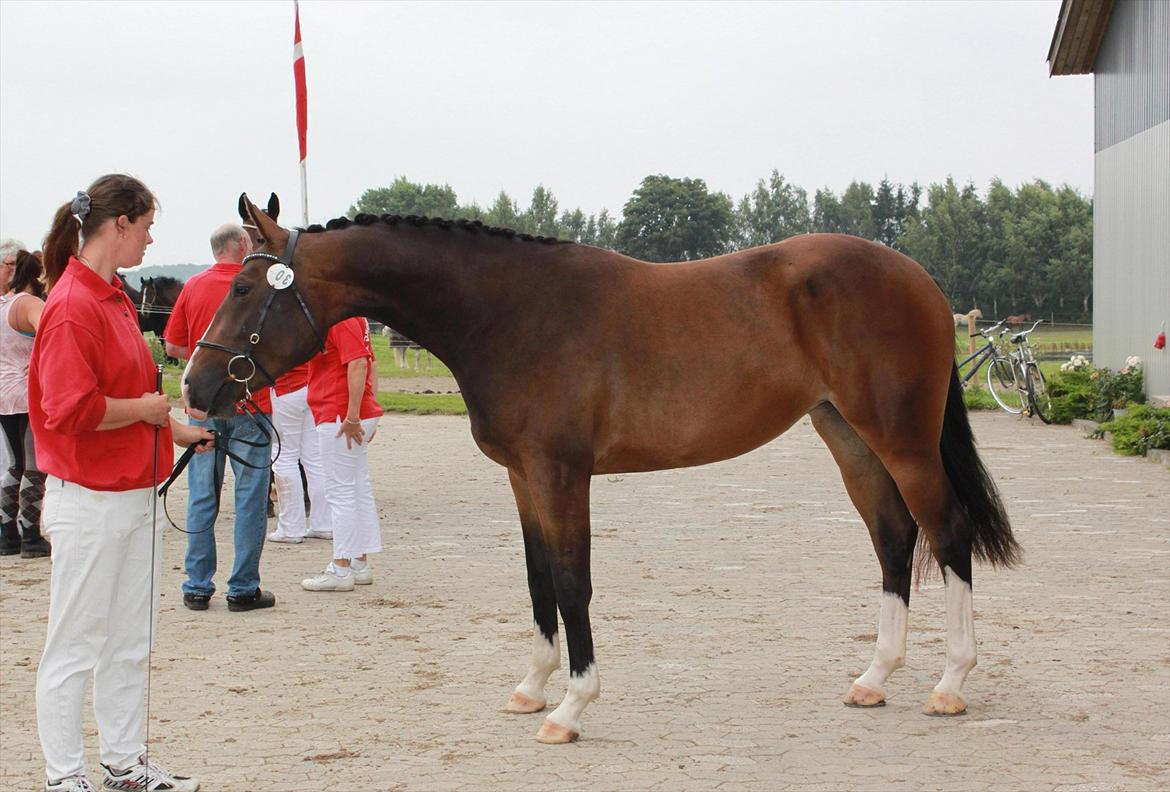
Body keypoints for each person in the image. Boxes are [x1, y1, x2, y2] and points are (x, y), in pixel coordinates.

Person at [32, 175, 212, 792]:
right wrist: (144, 411)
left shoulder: (110, 296)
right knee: (75, 645)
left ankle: (125, 762)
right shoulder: (74, 306)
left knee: (130, 640)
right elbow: (68, 409)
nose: (151, 238)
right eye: (147, 225)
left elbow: (127, 400)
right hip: (90, 500)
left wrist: (178, 429)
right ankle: (63, 777)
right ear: (119, 224)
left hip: (131, 493)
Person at [164, 224, 275, 612]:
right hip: (250, 401)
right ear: (242, 245)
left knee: (202, 496)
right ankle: (243, 587)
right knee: (250, 498)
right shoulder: (259, 284)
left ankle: (197, 584)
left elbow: (175, 343)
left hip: (203, 407)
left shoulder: (193, 286)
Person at [301, 317, 384, 592]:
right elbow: (368, 363)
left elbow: (359, 363)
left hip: (337, 410)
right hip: (347, 411)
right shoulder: (356, 318)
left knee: (341, 491)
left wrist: (353, 415)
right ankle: (359, 562)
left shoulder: (341, 319)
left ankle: (341, 568)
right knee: (358, 487)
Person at [1, 249, 50, 557]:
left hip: (3, 393)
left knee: (15, 464)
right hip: (26, 393)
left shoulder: (4, 304)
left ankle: (7, 533)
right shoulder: (31, 305)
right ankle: (30, 534)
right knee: (33, 467)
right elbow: (53, 333)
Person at [266, 362, 331, 543]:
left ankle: (291, 527)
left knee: (284, 457)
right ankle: (324, 523)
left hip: (287, 386)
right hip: (312, 385)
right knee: (314, 458)